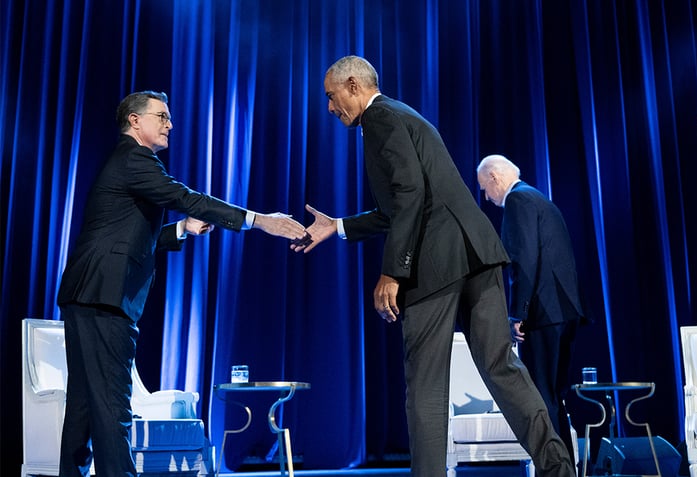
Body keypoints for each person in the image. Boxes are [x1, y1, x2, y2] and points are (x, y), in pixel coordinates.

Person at [294, 56, 575, 477]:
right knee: (504, 369)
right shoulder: (404, 114)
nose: (331, 109)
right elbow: (403, 204)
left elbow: (409, 194)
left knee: (425, 383)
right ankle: (559, 468)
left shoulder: (380, 119)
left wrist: (393, 272)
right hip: (478, 253)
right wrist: (336, 226)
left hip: (436, 262)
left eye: (331, 97)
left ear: (353, 85)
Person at [57, 90, 310, 477]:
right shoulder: (135, 159)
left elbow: (127, 238)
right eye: (162, 116)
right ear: (135, 121)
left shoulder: (129, 163)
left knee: (86, 404)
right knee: (110, 402)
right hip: (102, 296)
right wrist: (260, 220)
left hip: (90, 293)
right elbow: (185, 196)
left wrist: (182, 230)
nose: (170, 124)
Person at [476, 154, 585, 467]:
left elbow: (523, 261)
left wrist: (517, 314)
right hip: (564, 311)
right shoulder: (538, 197)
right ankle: (564, 469)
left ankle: (553, 470)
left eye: (485, 188)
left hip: (543, 313)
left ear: (495, 178)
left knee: (539, 397)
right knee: (553, 395)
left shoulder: (518, 201)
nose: (486, 196)